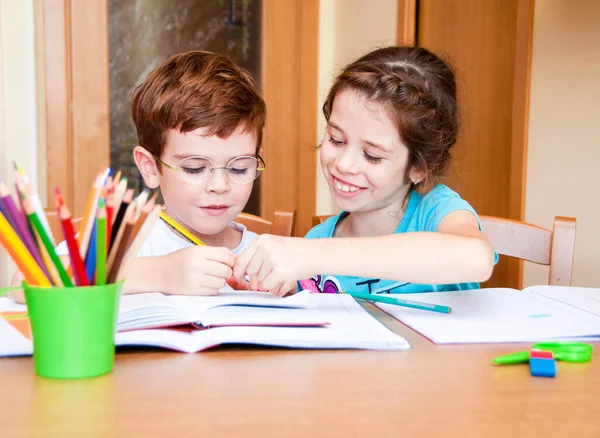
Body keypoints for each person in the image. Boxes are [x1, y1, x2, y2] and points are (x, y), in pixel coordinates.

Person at [233, 46, 496, 296]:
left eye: (372, 156)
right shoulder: (318, 238)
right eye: (336, 139)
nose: (344, 164)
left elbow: (477, 258)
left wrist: (318, 255)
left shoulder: (437, 212)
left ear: (418, 167)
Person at [11, 50, 266, 299]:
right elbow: (25, 281)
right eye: (194, 168)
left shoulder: (265, 253)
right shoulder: (127, 238)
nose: (220, 185)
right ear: (150, 167)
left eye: (238, 168)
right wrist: (160, 273)